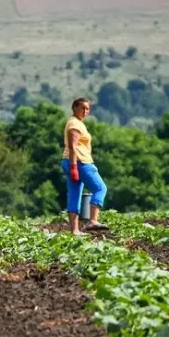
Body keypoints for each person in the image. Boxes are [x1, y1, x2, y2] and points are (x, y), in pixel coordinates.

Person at [63, 97, 109, 236]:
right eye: (82, 108)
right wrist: (73, 167)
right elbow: (73, 146)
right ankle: (93, 220)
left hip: (72, 162)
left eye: (87, 109)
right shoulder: (74, 124)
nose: (85, 111)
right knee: (100, 188)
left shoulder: (76, 123)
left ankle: (75, 230)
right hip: (80, 162)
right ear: (75, 108)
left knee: (74, 195)